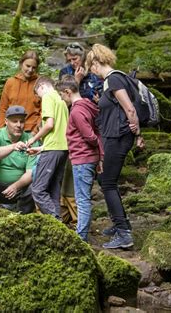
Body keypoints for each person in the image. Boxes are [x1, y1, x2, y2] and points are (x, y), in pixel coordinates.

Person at [85, 44, 145, 249]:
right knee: (104, 179)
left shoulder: (114, 79)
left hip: (118, 137)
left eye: (90, 66)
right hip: (116, 135)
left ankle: (124, 233)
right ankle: (121, 223)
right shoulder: (111, 81)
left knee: (108, 182)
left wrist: (137, 133)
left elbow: (129, 107)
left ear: (95, 63)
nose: (91, 70)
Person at [56, 75, 104, 242]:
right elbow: (96, 132)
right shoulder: (89, 105)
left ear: (68, 92)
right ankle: (81, 234)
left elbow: (90, 136)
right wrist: (99, 157)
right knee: (83, 198)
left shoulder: (76, 110)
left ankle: (81, 237)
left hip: (82, 159)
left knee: (82, 200)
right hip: (89, 158)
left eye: (62, 95)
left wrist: (95, 151)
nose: (62, 99)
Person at [26, 77, 69, 220]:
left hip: (52, 150)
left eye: (37, 93)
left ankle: (55, 219)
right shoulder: (62, 100)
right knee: (53, 190)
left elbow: (49, 124)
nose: (38, 98)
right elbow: (60, 131)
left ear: (42, 86)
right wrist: (41, 149)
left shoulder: (48, 97)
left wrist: (34, 139)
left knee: (37, 189)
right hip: (62, 149)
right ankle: (59, 224)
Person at [0, 50, 41, 134]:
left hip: (32, 131)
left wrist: (35, 131)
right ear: (21, 64)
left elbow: (43, 111)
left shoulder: (40, 84)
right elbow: (3, 108)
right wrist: (1, 130)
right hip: (10, 130)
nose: (30, 70)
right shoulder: (10, 82)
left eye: (34, 67)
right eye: (28, 66)